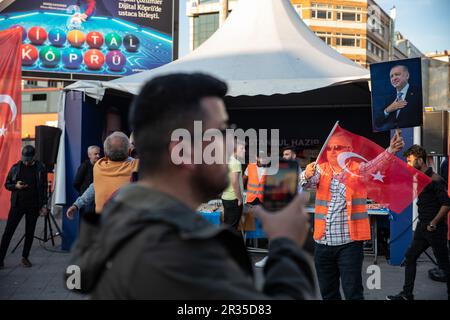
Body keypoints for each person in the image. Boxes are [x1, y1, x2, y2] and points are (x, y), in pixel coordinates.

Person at [69, 73, 317, 299]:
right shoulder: (187, 248)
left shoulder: (124, 209)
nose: (228, 144)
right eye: (219, 133)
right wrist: (288, 245)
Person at [302, 131, 405, 300]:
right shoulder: (321, 169)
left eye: (338, 147)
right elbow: (306, 183)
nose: (333, 151)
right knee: (328, 293)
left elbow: (374, 165)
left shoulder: (357, 170)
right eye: (330, 148)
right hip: (322, 243)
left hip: (348, 245)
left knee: (353, 293)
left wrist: (391, 150)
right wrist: (306, 174)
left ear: (348, 149)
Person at [387, 145, 450, 300]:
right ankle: (407, 294)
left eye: (410, 161)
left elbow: (447, 204)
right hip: (423, 228)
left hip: (435, 229)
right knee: (410, 257)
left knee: (444, 266)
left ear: (420, 160)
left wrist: (434, 222)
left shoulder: (435, 179)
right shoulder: (420, 177)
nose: (408, 164)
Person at [66, 132, 138, 219]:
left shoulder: (99, 166)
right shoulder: (135, 166)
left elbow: (94, 187)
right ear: (129, 151)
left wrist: (77, 204)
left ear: (105, 153)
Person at [0, 146, 48, 269]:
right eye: (24, 159)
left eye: (29, 159)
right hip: (17, 205)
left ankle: (25, 258)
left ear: (34, 157)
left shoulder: (41, 168)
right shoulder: (16, 168)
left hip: (33, 206)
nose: (26, 161)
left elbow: (43, 188)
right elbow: (7, 184)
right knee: (8, 232)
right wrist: (16, 186)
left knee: (30, 232)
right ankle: (0, 259)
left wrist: (44, 205)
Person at [374, 64, 422, 131]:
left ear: (407, 76)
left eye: (397, 74)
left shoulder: (419, 93)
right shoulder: (387, 97)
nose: (394, 78)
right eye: (391, 76)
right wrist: (388, 110)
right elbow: (376, 122)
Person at [221, 140, 245, 231]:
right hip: (233, 199)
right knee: (232, 228)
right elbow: (235, 182)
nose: (244, 151)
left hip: (226, 197)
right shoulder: (236, 163)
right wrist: (239, 198)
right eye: (242, 148)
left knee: (227, 225)